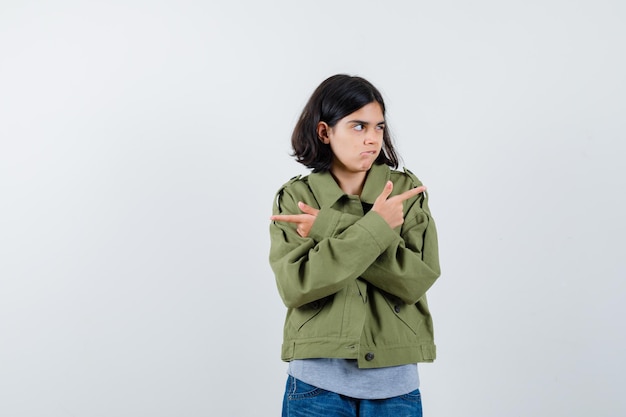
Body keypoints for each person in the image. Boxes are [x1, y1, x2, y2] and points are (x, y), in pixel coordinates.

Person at [269, 74, 441, 417]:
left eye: (378, 127)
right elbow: (297, 286)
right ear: (324, 132)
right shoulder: (297, 197)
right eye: (358, 127)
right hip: (316, 386)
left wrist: (328, 227)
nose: (372, 138)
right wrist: (377, 228)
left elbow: (416, 280)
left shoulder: (405, 192)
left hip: (396, 386)